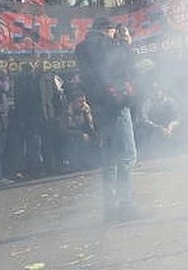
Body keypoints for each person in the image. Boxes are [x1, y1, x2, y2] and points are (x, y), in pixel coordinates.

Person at [75, 17, 141, 221]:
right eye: (114, 32)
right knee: (126, 154)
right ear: (107, 30)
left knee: (110, 157)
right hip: (115, 103)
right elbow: (121, 64)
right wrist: (126, 45)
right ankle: (125, 204)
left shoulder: (83, 48)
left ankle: (110, 207)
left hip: (99, 106)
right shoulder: (105, 46)